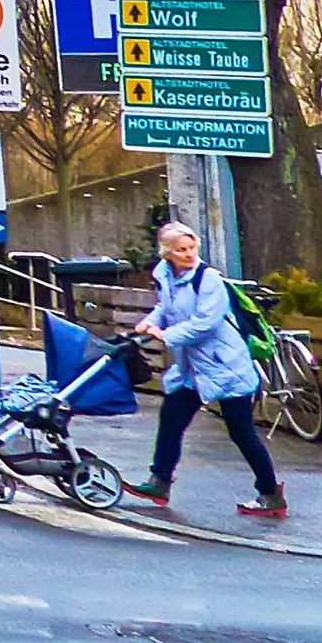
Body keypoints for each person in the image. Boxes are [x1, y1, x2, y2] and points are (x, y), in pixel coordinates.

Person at [122, 221, 287, 519]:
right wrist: (150, 321)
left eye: (191, 247)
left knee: (241, 432)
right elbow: (167, 307)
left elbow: (206, 324)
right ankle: (159, 481)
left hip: (225, 365)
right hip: (192, 368)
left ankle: (271, 493)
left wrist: (166, 335)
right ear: (167, 253)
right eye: (180, 250)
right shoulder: (165, 276)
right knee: (171, 418)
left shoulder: (208, 279)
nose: (188, 254)